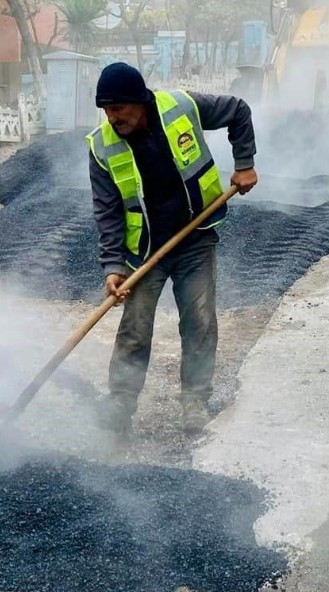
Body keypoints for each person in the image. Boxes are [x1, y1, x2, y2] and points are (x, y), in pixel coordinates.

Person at [88, 61, 259, 437]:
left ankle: (195, 401)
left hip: (194, 238)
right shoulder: (102, 146)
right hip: (145, 252)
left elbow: (238, 111)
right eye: (106, 109)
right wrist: (113, 266)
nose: (112, 117)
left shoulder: (182, 106)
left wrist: (244, 163)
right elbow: (108, 211)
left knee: (199, 322)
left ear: (140, 101)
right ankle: (120, 403)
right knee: (134, 328)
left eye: (119, 108)